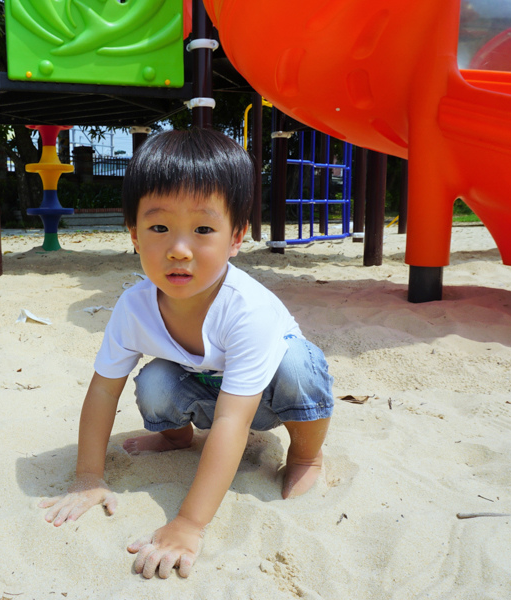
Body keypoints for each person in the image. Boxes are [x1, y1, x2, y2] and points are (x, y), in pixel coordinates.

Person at [39, 128, 334, 579]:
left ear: (235, 237)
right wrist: (87, 477)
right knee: (155, 380)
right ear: (134, 234)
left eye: (202, 229)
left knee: (299, 366)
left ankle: (305, 457)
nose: (179, 249)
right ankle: (177, 437)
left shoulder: (246, 309)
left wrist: (190, 523)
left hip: (271, 397)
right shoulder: (134, 307)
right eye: (159, 228)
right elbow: (102, 390)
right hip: (210, 388)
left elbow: (235, 420)